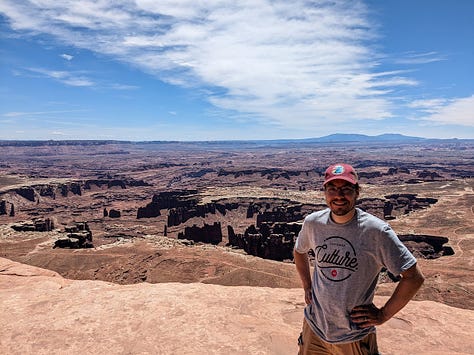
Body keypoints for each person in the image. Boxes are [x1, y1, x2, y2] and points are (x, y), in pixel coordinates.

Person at [294, 163, 424, 355]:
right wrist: (307, 285)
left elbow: (414, 277)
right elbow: (299, 251)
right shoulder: (313, 223)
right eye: (332, 189)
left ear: (357, 192)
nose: (338, 196)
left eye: (346, 189)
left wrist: (383, 314)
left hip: (354, 336)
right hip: (314, 329)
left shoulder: (376, 231)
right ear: (325, 192)